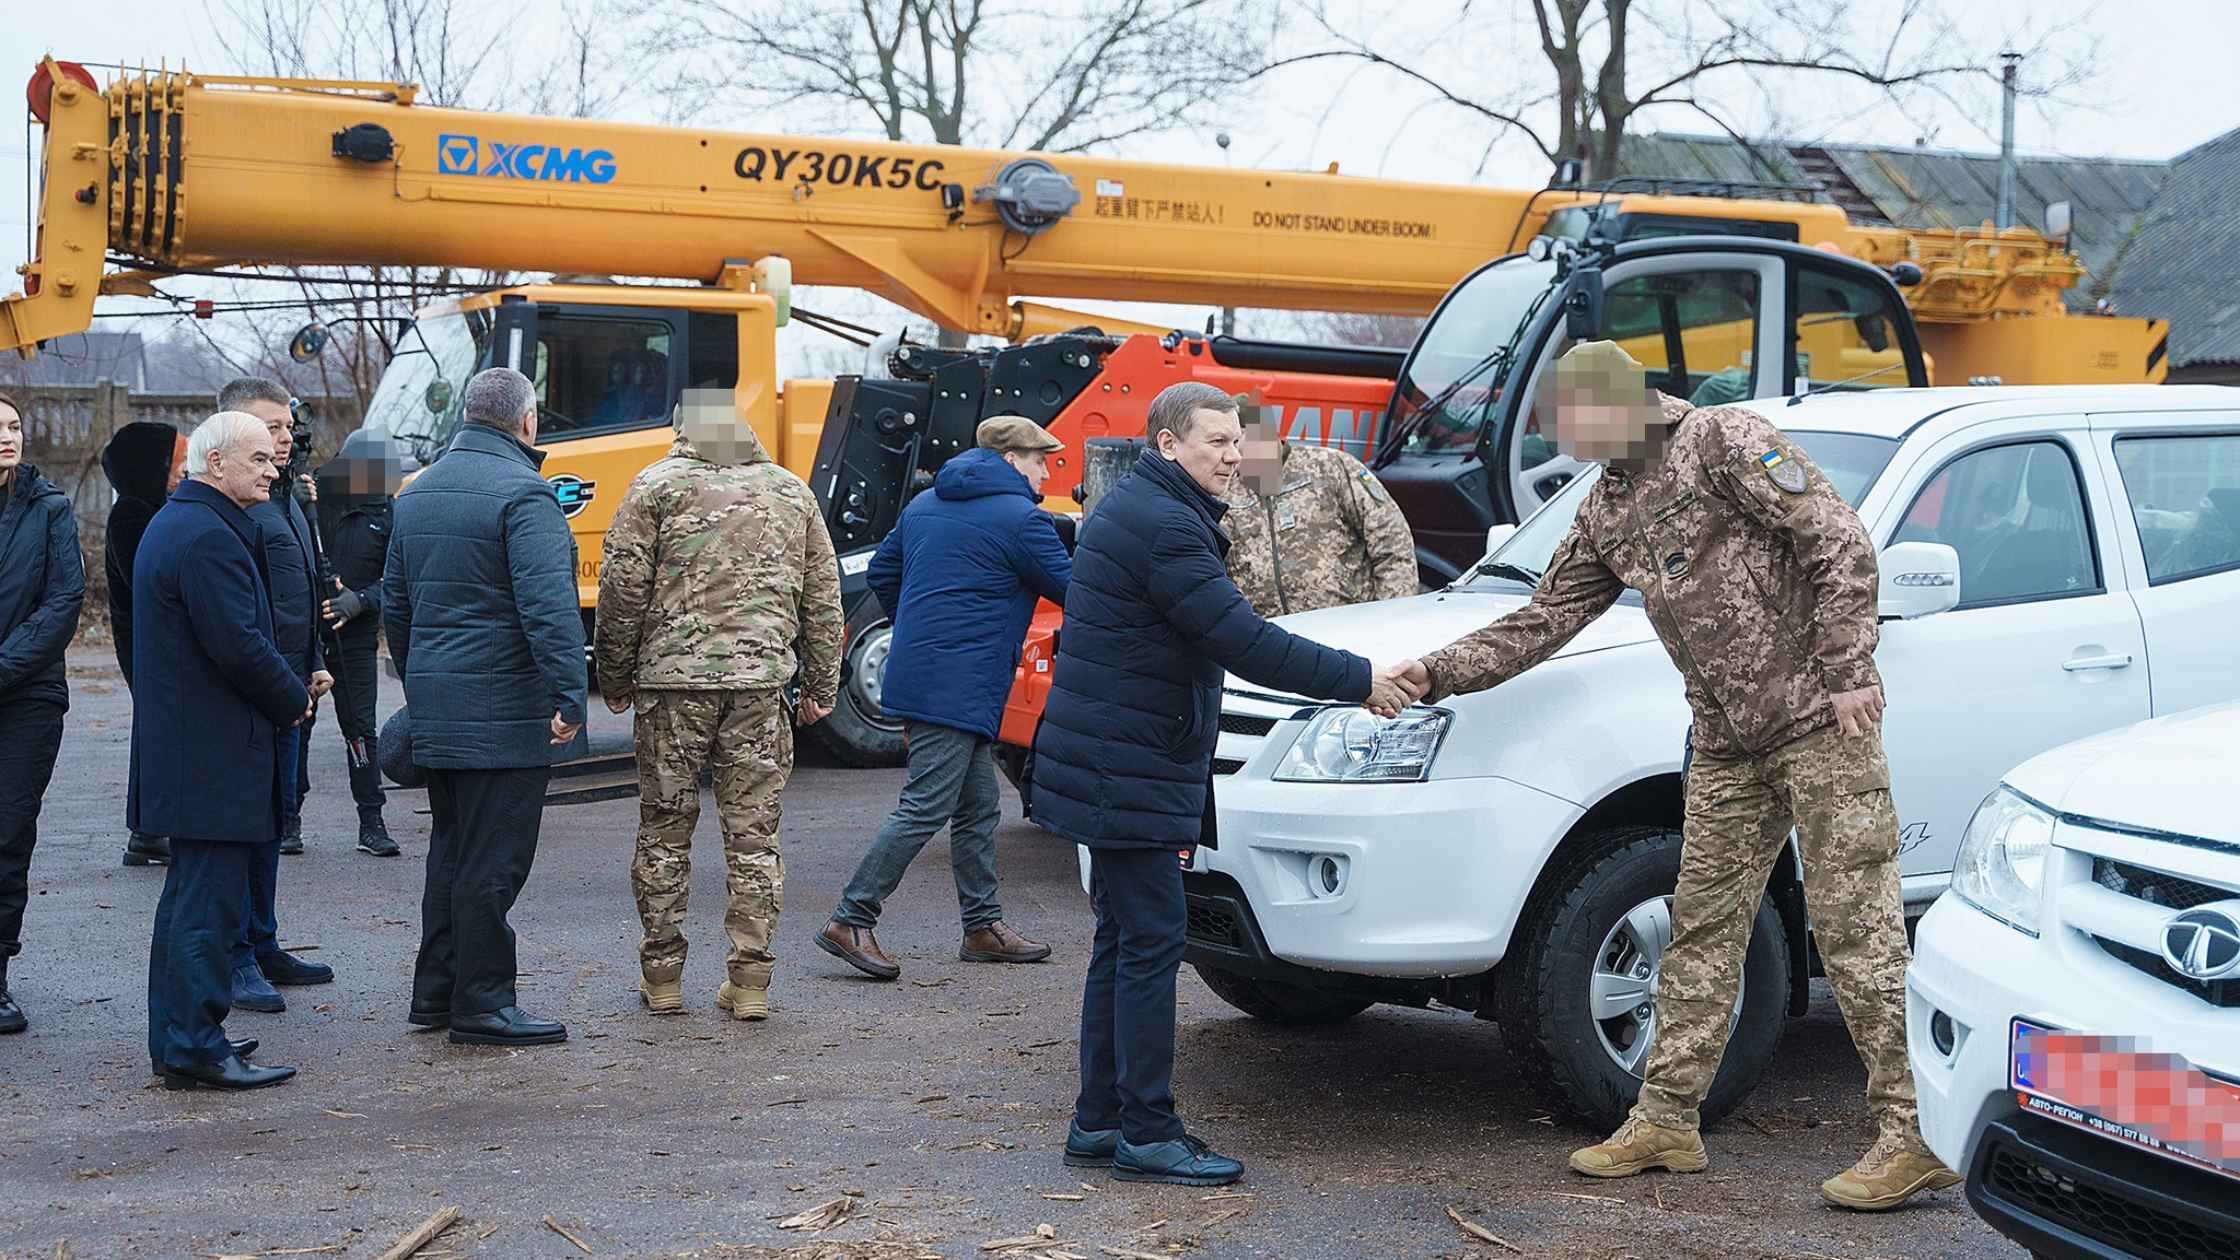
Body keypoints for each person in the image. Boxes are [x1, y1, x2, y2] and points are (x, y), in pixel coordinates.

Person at [1392, 341, 1960, 1211]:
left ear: (1620, 402)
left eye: (1576, 425)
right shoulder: (1607, 506)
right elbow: (1542, 622)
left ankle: (1914, 1132)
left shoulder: (1725, 441)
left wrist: (1849, 669)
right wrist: (1434, 672)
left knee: (1858, 931)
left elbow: (1837, 541)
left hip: (1820, 725)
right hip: (1729, 744)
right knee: (1702, 925)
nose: (1571, 446)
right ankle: (1667, 1119)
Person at [1033, 382, 1416, 1187]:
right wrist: (1362, 680)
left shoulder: (1144, 508)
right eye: (1215, 441)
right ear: (1169, 444)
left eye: (1237, 441)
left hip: (1121, 758)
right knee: (1148, 946)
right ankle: (1146, 1130)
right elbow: (1243, 640)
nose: (1233, 455)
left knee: (1124, 942)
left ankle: (1100, 1122)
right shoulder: (1168, 526)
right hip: (1130, 764)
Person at [594, 392, 844, 1020]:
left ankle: (664, 976)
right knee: (754, 837)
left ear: (682, 429)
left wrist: (615, 677)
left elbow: (621, 592)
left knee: (664, 833)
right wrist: (820, 687)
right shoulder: (792, 494)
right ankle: (752, 981)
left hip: (672, 691)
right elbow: (823, 599)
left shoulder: (654, 487)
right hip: (760, 690)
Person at [818, 415, 1073, 982]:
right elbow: (1076, 590)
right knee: (926, 805)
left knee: (979, 805)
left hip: (927, 673)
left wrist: (920, 624)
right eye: (1041, 460)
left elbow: (885, 572)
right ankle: (851, 918)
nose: (1047, 470)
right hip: (962, 682)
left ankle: (982, 927)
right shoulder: (1022, 520)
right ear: (1011, 461)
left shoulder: (925, 504)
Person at [383, 366, 588, 1048]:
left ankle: (434, 994)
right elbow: (548, 607)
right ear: (527, 421)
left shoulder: (417, 493)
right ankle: (483, 1003)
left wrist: (423, 686)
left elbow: (396, 606)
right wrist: (568, 692)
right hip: (503, 711)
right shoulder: (525, 496)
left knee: (452, 850)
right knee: (493, 862)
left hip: (439, 706)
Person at [135, 412, 310, 1090]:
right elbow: (238, 644)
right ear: (216, 465)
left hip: (195, 753)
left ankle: (183, 1036)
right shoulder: (207, 535)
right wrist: (291, 697)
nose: (274, 469)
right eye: (259, 458)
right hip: (212, 756)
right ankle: (195, 1047)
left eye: (275, 458)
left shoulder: (189, 523)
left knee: (189, 902)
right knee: (205, 908)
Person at [219, 379, 336, 1017]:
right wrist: (281, 684)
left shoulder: (287, 497)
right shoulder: (235, 510)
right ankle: (236, 955)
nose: (284, 437)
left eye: (287, 425)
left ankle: (262, 943)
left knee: (275, 824)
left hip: (292, 691)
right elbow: (239, 622)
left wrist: (314, 666)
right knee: (246, 828)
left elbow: (303, 599)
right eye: (269, 427)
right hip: (258, 698)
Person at [0, 392, 87, 1034]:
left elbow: (63, 602)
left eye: (13, 426)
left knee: (6, 835)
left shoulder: (49, 507)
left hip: (27, 698)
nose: (8, 437)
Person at [1225, 413, 1417, 615]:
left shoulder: (1329, 466)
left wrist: (1392, 616)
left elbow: (1392, 541)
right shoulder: (1226, 490)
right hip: (1273, 637)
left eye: (1235, 441)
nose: (1230, 453)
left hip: (1350, 626)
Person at [314, 428, 403, 857]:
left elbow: (400, 581)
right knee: (294, 724)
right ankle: (287, 819)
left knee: (360, 729)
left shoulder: (388, 514)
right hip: (306, 631)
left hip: (356, 631)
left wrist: (361, 600)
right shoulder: (311, 499)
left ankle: (371, 822)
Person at [103, 419, 188, 867]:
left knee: (157, 732)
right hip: (148, 643)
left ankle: (150, 829)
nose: (183, 472)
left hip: (152, 641)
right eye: (175, 463)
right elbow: (151, 580)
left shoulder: (147, 507)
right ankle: (153, 825)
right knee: (161, 733)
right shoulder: (133, 513)